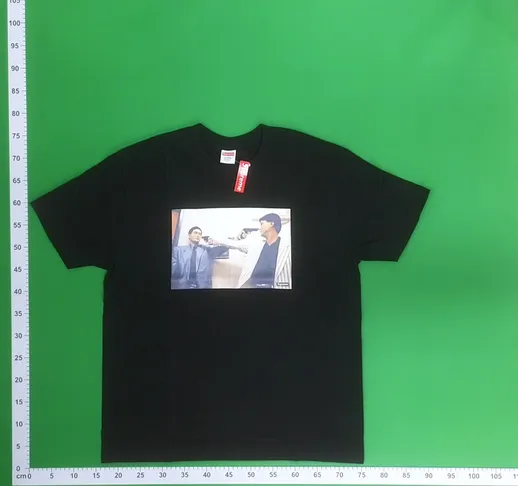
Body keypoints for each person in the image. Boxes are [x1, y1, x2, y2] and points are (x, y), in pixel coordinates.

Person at [212, 213, 292, 289]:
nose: (260, 228)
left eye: (262, 224)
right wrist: (217, 241)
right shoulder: (256, 246)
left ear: (272, 223)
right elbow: (235, 244)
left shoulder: (287, 248)